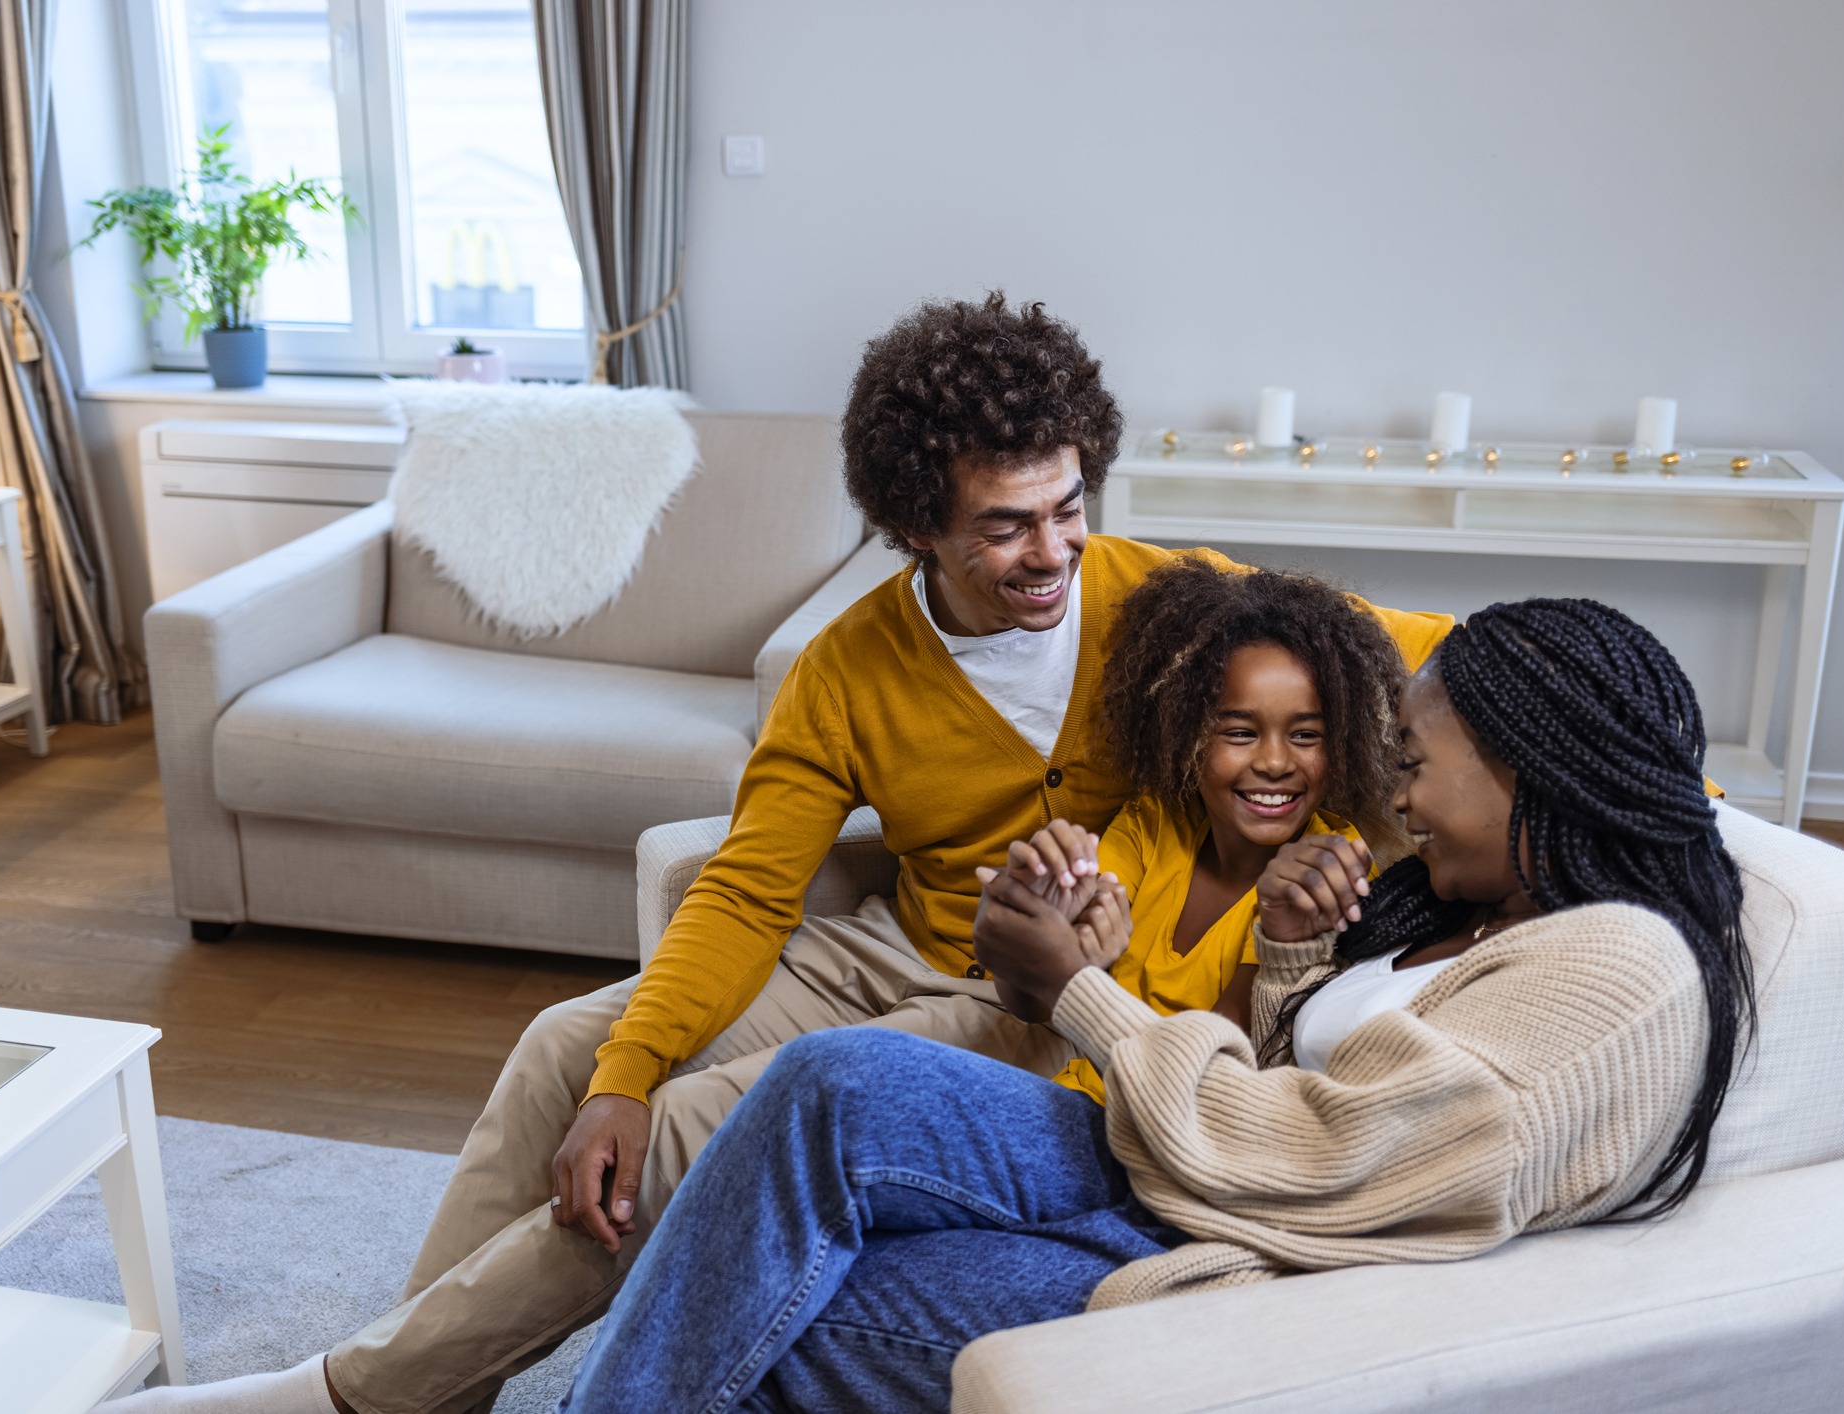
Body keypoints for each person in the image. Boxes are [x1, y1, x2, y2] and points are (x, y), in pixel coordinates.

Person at [109, 295, 1447, 1414]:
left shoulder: (1163, 598)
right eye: (1004, 524)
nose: (1050, 550)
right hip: (895, 948)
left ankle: (342, 1392)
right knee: (565, 1058)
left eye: (1065, 506)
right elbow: (750, 883)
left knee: (688, 1134)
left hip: (1046, 989)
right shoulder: (850, 665)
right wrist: (626, 1067)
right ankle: (427, 1389)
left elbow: (1413, 648)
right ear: (915, 520)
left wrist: (1603, 740)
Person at [559, 597, 1755, 1414]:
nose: (1397, 794)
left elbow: (1325, 1157)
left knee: (781, 1302)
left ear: (1525, 769)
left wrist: (1076, 993)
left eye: (1416, 764)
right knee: (828, 1083)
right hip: (1195, 1170)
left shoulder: (1619, 972)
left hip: (1255, 1258)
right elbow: (1338, 1092)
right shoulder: (1498, 902)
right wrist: (1291, 955)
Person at [1002, 557, 1412, 1104]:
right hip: (1068, 1096)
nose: (1274, 762)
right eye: (1240, 733)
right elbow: (1037, 997)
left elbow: (1219, 1063)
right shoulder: (1153, 826)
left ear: (1342, 748)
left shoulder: (1328, 871)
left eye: (1307, 736)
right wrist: (1030, 924)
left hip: (1163, 1130)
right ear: (1187, 734)